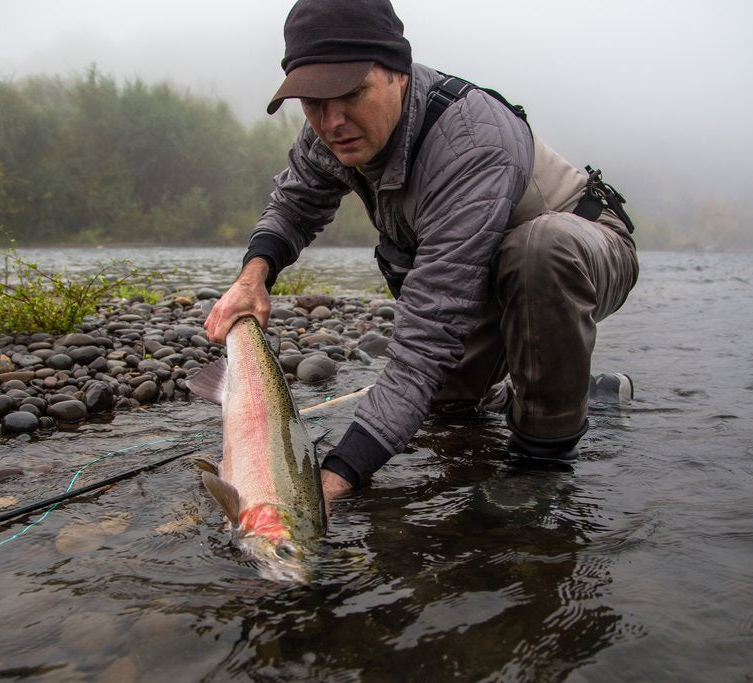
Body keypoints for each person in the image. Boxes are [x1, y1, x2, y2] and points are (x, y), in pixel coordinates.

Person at [204, 0, 639, 504]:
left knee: (537, 251)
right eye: (314, 101)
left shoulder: (472, 142)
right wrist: (252, 277)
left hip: (581, 250)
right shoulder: (330, 130)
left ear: (399, 74)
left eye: (351, 93)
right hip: (479, 273)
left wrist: (336, 480)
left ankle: (541, 466)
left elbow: (427, 338)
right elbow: (294, 206)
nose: (332, 119)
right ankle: (593, 395)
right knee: (449, 410)